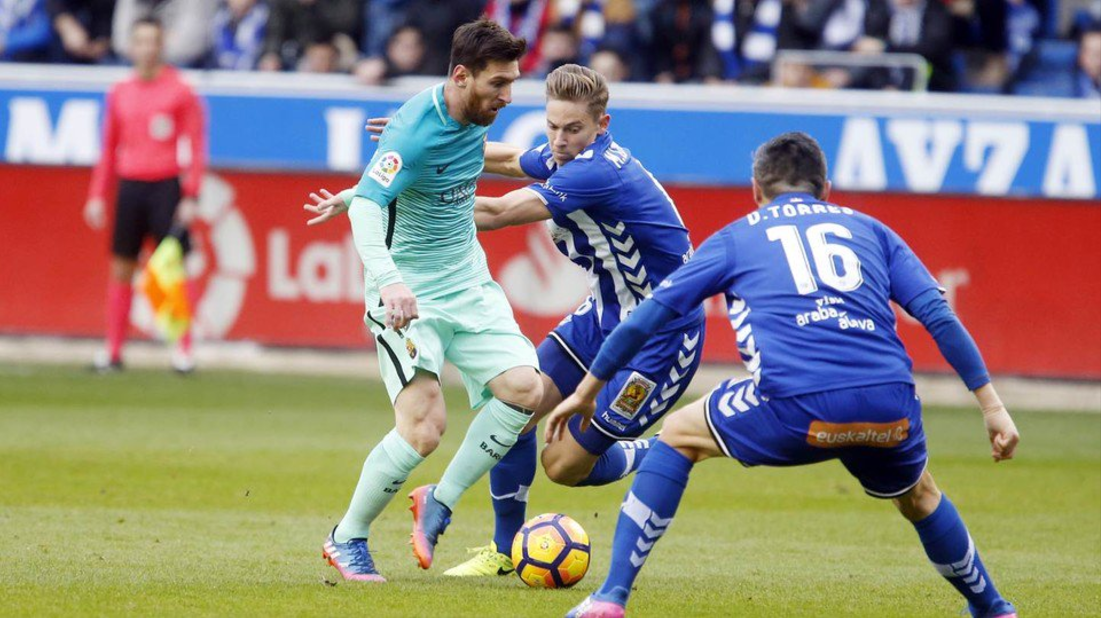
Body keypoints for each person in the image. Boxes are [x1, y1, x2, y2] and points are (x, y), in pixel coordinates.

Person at [549, 132, 1020, 618]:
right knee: (920, 495)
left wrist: (588, 390)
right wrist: (992, 407)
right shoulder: (873, 231)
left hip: (797, 404)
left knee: (677, 434)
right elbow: (939, 316)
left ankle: (610, 599)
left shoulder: (738, 235)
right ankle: (993, 608)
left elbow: (652, 314)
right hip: (889, 403)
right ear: (826, 188)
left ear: (756, 189)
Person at [443, 64, 705, 577]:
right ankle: (504, 549)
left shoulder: (598, 171)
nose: (559, 142)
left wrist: (409, 196)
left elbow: (496, 214)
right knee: (513, 404)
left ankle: (667, 446)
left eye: (573, 130)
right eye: (552, 128)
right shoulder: (571, 153)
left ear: (601, 124)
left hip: (660, 339)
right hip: (601, 317)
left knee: (561, 466)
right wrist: (422, 148)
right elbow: (512, 161)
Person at [301, 18, 539, 582]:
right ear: (461, 76)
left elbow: (482, 154)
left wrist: (561, 155)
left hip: (470, 283)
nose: (507, 97)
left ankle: (441, 499)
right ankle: (347, 537)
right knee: (424, 428)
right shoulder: (412, 130)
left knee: (525, 389)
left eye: (512, 84)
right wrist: (389, 281)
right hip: (411, 292)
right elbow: (368, 206)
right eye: (498, 84)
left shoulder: (469, 115)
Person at [84, 17, 206, 375]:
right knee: (122, 267)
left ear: (161, 46)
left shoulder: (181, 91)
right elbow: (108, 149)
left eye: (153, 41)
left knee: (170, 270)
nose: (147, 48)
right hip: (130, 185)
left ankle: (182, 351)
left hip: (166, 185)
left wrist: (191, 193)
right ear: (132, 46)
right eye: (140, 41)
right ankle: (114, 350)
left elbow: (196, 146)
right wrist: (96, 194)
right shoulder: (120, 92)